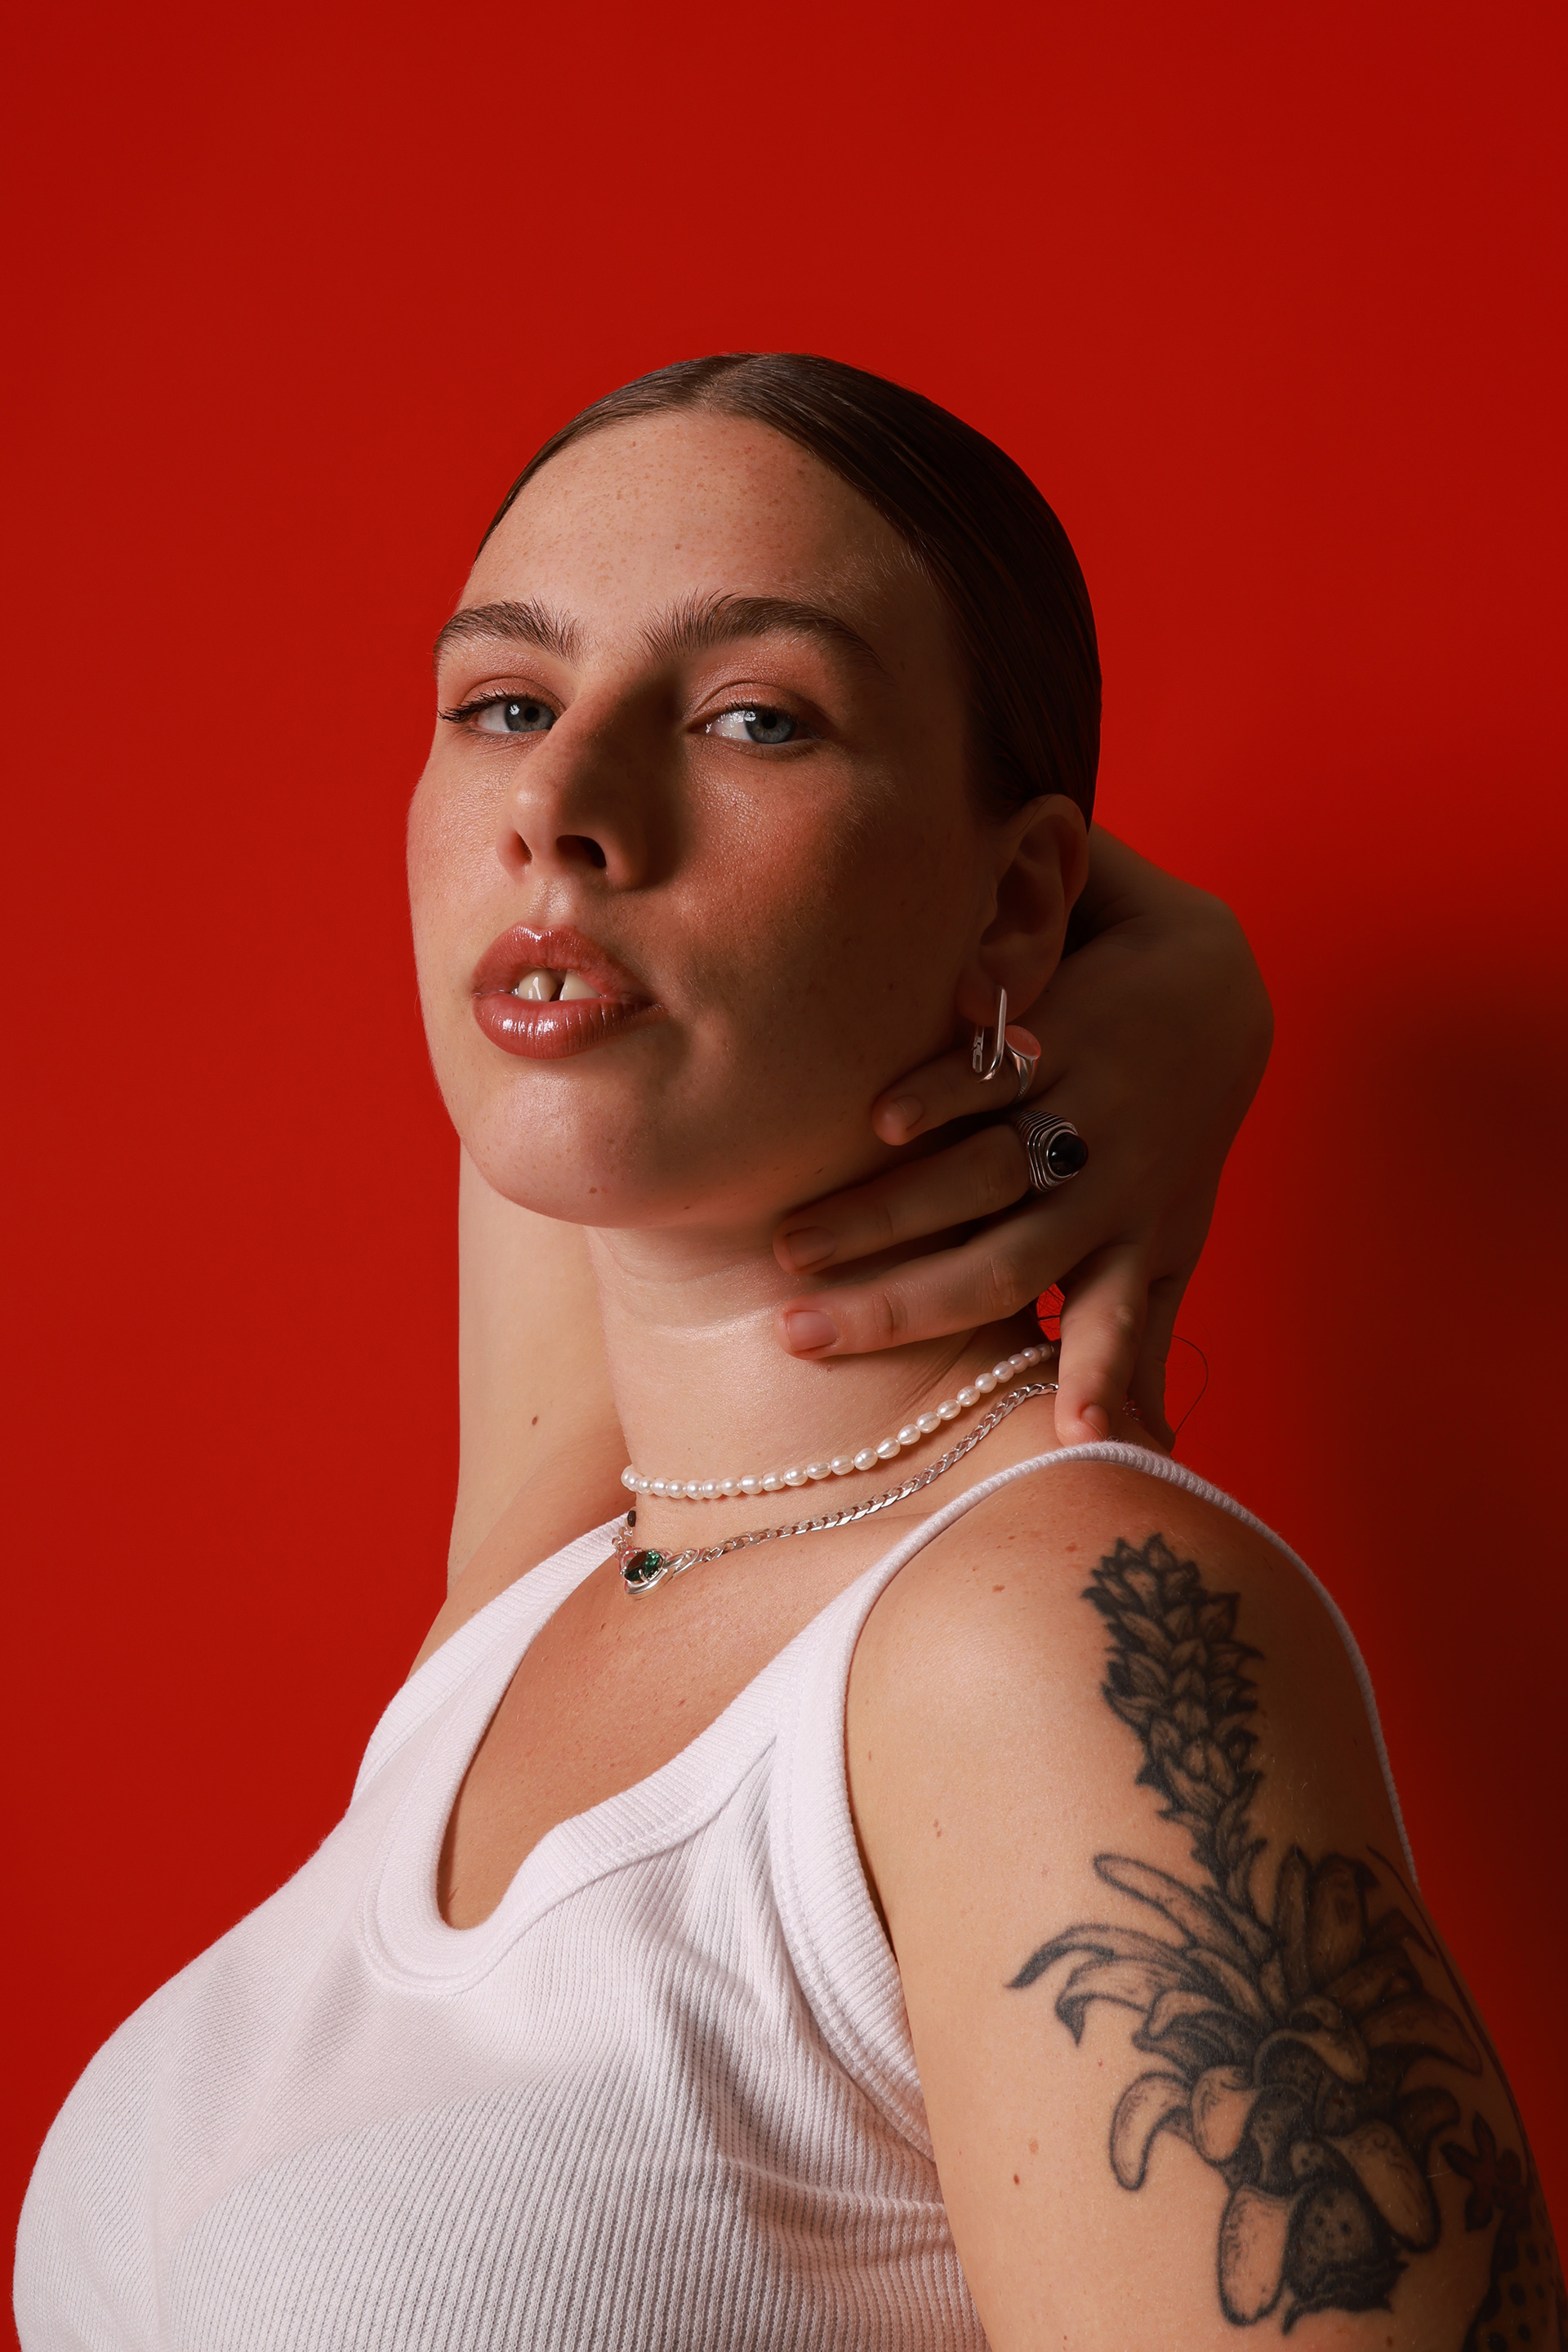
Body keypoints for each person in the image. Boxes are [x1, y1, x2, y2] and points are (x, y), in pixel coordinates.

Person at [16, 355, 1559, 2351]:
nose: (558, 810)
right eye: (503, 704)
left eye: (756, 718)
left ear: (1025, 896)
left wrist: (1069, 950)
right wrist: (1183, 975)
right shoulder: (544, 1587)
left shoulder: (1041, 1633)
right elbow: (578, 1068)